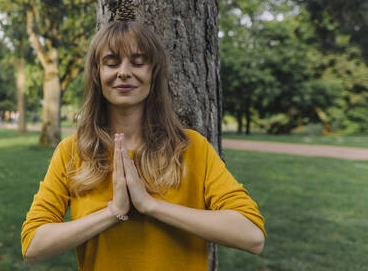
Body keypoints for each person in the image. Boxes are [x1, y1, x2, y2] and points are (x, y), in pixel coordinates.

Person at [21, 21, 266, 270]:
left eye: (138, 62)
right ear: (97, 73)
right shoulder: (72, 152)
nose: (124, 72)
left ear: (153, 73)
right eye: (112, 62)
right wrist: (114, 211)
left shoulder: (192, 148)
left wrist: (150, 205)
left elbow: (252, 235)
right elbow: (33, 245)